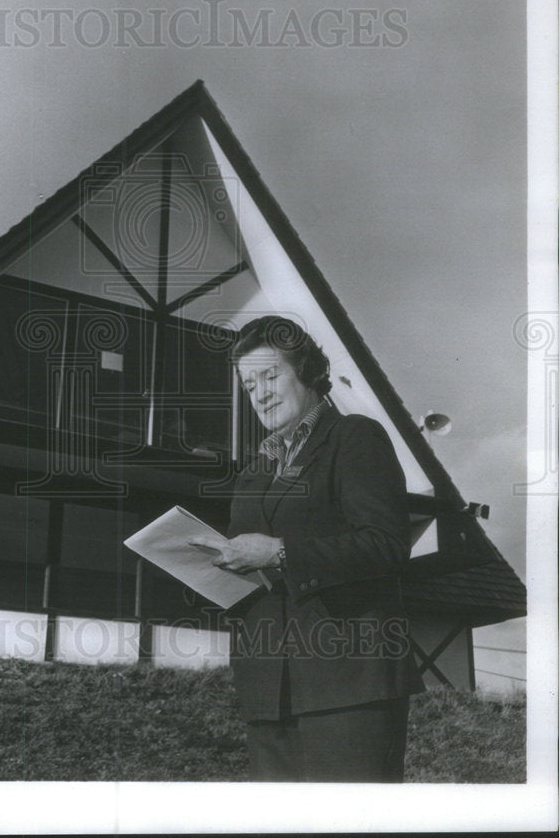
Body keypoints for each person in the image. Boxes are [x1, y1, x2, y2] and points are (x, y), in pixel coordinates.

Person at [190, 315, 424, 782]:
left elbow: (386, 544)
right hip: (268, 692)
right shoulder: (254, 473)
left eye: (270, 376)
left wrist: (280, 553)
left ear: (308, 372)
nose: (259, 393)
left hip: (350, 685)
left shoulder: (354, 437)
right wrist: (207, 569)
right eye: (249, 385)